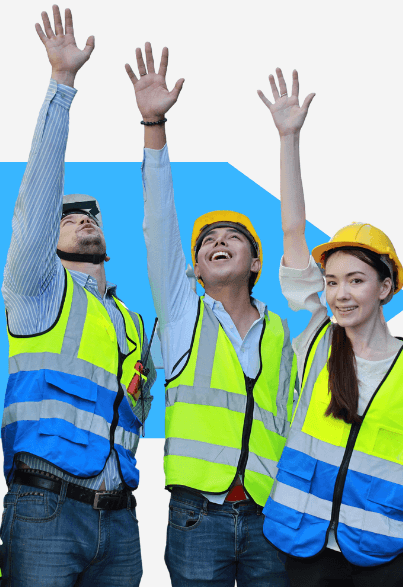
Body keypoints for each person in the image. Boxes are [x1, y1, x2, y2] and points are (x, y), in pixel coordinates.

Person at [256, 69, 403, 587]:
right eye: (332, 281)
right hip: (307, 553)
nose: (340, 293)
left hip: (385, 563)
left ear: (385, 288)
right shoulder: (317, 338)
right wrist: (289, 139)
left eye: (356, 280)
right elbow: (293, 230)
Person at [127, 44, 295, 586]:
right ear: (195, 268)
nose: (218, 244)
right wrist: (155, 125)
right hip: (200, 514)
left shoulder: (282, 333)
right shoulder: (181, 316)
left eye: (233, 239)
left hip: (271, 516)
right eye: (207, 243)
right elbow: (159, 225)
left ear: (255, 264)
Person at [0, 5, 155, 587]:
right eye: (71, 216)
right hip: (48, 512)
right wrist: (62, 86)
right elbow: (37, 203)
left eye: (92, 213)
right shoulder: (37, 292)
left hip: (119, 521)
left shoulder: (132, 322)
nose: (84, 217)